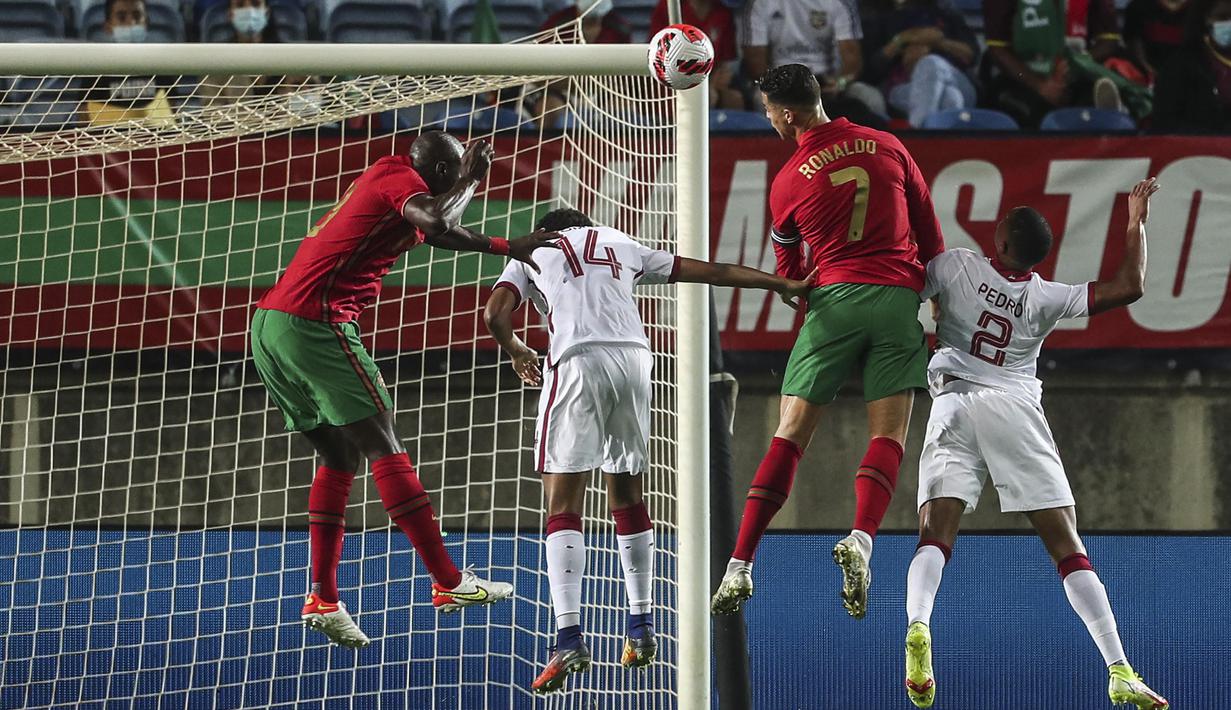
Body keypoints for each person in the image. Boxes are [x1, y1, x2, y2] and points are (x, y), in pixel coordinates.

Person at [484, 209, 814, 694]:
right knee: (627, 494)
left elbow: (495, 314)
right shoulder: (621, 241)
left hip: (577, 359)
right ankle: (641, 626)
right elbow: (711, 271)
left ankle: (569, 634)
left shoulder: (535, 245)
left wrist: (516, 350)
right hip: (635, 362)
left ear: (552, 227)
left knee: (562, 503)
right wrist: (777, 283)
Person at [250, 133, 560, 648]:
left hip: (272, 324)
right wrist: (480, 186)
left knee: (339, 456)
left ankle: (322, 597)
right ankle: (448, 582)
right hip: (314, 322)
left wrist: (487, 214)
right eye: (453, 170)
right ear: (439, 169)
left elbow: (439, 225)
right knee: (384, 447)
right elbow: (440, 222)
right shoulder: (402, 179)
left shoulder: (398, 180)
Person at [902, 179, 1168, 710]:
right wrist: (1135, 220)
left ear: (1001, 241)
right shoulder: (1045, 297)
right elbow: (1129, 287)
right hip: (1014, 409)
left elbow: (905, 287)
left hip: (952, 403)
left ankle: (918, 623)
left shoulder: (955, 266)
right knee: (1067, 547)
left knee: (934, 535)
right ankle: (1118, 668)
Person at [710, 64, 945, 620]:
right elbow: (928, 225)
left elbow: (791, 271)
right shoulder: (887, 144)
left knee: (789, 434)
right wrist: (934, 291)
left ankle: (740, 564)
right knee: (888, 435)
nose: (767, 118)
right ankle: (861, 538)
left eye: (768, 110)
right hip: (894, 302)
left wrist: (800, 287)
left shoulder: (789, 179)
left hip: (834, 304)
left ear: (787, 113)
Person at [743, 0, 889, 128]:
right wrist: (784, 88)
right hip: (780, 84)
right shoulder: (761, 4)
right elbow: (756, 64)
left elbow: (852, 60)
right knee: (760, 98)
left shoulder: (839, 3)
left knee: (870, 97)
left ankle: (879, 152)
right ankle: (773, 152)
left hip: (828, 83)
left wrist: (839, 82)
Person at [982, 0, 1128, 126]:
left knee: (1098, 101)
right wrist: (1040, 86)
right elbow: (997, 49)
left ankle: (1113, 116)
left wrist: (1080, 63)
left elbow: (1109, 39)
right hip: (1022, 77)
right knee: (1032, 110)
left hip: (1076, 72)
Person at [861, 0, 980, 128]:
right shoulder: (884, 17)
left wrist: (939, 43)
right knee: (950, 98)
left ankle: (919, 132)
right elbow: (872, 67)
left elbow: (972, 56)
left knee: (930, 63)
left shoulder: (947, 13)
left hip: (957, 82)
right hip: (904, 87)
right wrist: (902, 39)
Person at [197, 0, 312, 109]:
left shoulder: (295, 58)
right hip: (238, 129)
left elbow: (314, 104)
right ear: (230, 14)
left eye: (255, 4)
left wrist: (297, 100)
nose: (249, 11)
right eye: (240, 5)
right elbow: (212, 117)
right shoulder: (214, 64)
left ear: (267, 12)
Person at [83, 0, 175, 127]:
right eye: (121, 17)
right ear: (108, 26)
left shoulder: (160, 65)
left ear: (146, 23)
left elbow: (173, 109)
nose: (130, 23)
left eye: (137, 16)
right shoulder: (96, 68)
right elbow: (84, 115)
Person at [649, 0, 744, 109]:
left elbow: (726, 60)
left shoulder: (723, 13)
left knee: (734, 99)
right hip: (673, 82)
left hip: (710, 80)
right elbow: (658, 56)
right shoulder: (667, 7)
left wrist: (716, 81)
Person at [1152, 0, 1231, 132]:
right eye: (1222, 17)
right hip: (1201, 147)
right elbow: (1164, 123)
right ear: (1205, 19)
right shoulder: (1181, 65)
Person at [1124, 0, 1191, 77]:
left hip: (1189, 77)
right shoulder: (1138, 7)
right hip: (1145, 78)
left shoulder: (1198, 10)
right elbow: (1133, 43)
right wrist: (1148, 70)